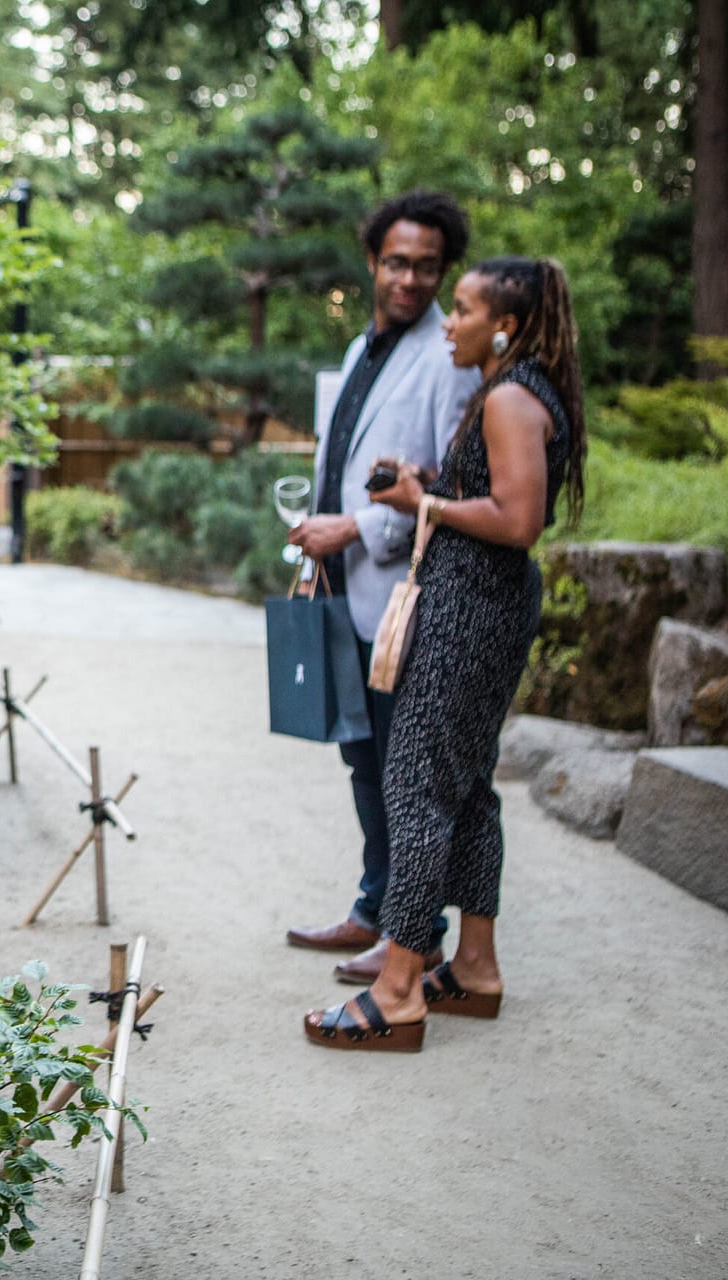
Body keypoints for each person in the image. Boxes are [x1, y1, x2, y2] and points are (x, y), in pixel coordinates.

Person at [304, 255, 587, 1051]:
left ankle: (397, 991)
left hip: (470, 610)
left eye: (461, 310)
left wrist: (421, 501)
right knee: (466, 791)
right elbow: (501, 498)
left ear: (505, 325)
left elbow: (520, 520)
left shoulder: (507, 397)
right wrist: (435, 485)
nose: (449, 324)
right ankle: (476, 966)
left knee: (417, 786)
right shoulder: (523, 392)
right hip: (484, 604)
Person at [284, 191, 480, 984]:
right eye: (397, 262)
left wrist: (356, 529)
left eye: (428, 267)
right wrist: (320, 535)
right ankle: (374, 906)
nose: (410, 279)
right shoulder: (365, 348)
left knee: (405, 770)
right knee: (361, 757)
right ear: (372, 261)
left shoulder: (447, 358)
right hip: (340, 582)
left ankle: (415, 931)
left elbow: (437, 483)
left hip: (399, 593)